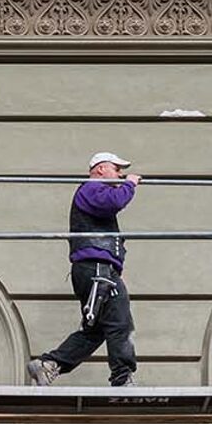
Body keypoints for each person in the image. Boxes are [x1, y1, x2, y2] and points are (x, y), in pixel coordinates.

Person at [27, 151, 141, 387]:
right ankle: (122, 377)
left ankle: (50, 364)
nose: (120, 174)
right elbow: (114, 202)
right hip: (97, 270)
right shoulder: (91, 188)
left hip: (98, 271)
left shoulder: (92, 191)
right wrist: (130, 185)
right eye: (116, 169)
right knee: (120, 321)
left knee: (96, 330)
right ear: (100, 169)